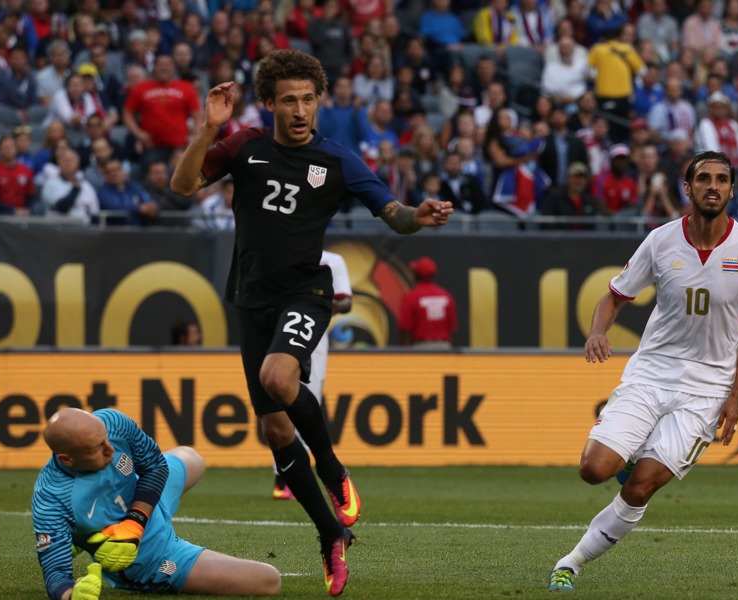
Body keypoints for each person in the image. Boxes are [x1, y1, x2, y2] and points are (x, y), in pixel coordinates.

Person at [169, 49, 452, 597]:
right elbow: (183, 186)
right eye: (289, 100)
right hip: (252, 300)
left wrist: (418, 215)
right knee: (273, 429)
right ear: (269, 103)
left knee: (280, 379)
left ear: (318, 100)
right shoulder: (244, 145)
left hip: (308, 290)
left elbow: (393, 215)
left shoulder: (339, 160)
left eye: (308, 99)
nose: (300, 110)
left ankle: (331, 464)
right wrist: (207, 130)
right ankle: (331, 535)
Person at [547, 151, 738, 592]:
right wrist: (597, 331)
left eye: (722, 179)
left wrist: (736, 393)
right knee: (593, 470)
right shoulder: (661, 241)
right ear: (686, 188)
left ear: (731, 189)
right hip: (651, 373)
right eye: (703, 178)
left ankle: (569, 563)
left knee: (639, 488)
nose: (713, 186)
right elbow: (614, 296)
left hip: (708, 388)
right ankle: (626, 455)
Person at [33, 408, 280, 600]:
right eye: (97, 448)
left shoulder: (111, 422)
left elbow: (155, 465)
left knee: (193, 457)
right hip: (149, 555)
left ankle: (75, 536)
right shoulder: (51, 499)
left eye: (106, 440)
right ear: (67, 459)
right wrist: (70, 595)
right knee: (269, 580)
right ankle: (73, 537)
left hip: (147, 495)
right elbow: (56, 575)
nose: (111, 449)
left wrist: (135, 522)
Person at [274, 249, 353, 500]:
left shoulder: (333, 260)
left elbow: (346, 302)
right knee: (277, 403)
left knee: (308, 403)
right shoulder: (284, 254)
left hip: (314, 335)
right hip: (280, 332)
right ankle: (282, 477)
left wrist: (313, 304)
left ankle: (299, 475)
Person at [398, 257, 457, 348]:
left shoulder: (411, 297)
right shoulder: (446, 296)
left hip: (421, 348)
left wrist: (404, 355)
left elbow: (405, 331)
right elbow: (452, 330)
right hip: (444, 347)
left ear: (417, 275)